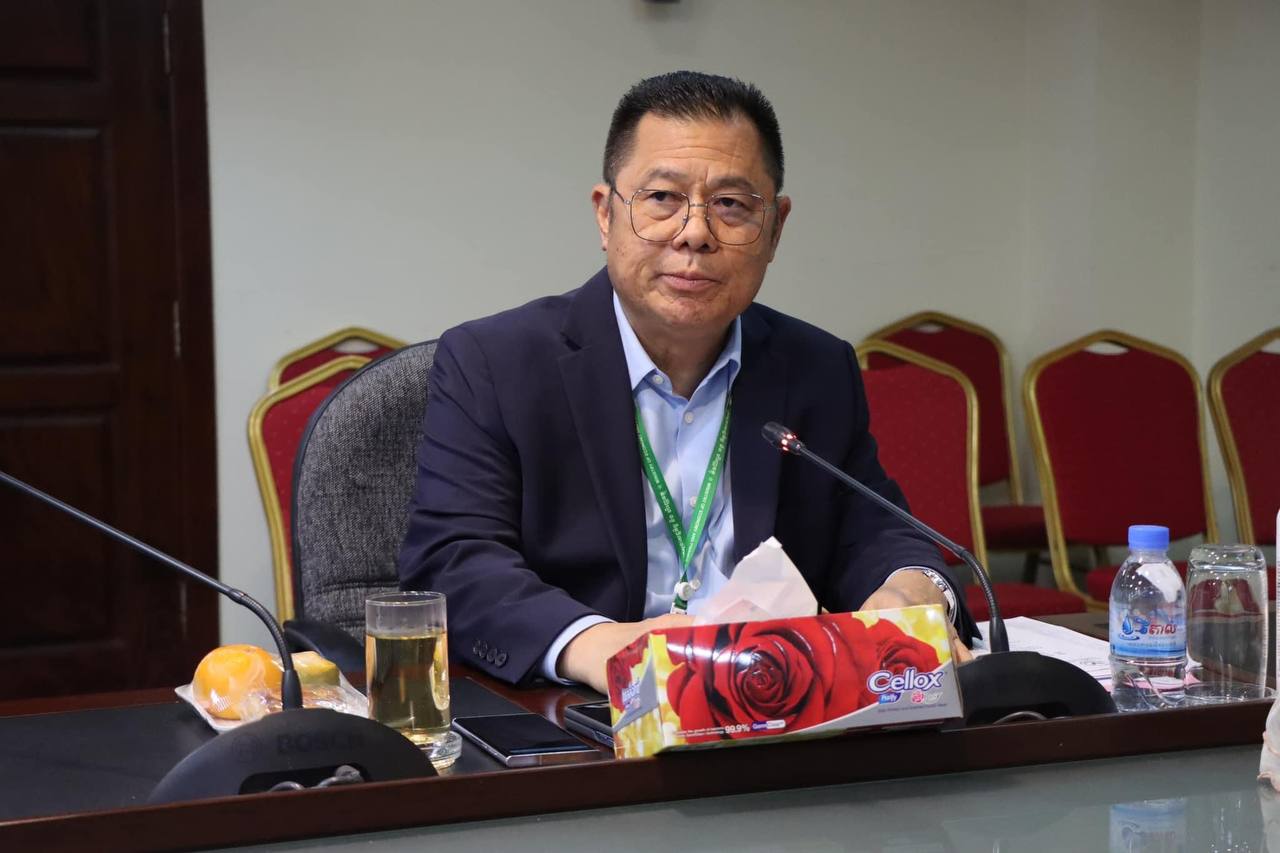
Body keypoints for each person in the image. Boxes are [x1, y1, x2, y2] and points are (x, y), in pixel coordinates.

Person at [399, 71, 976, 694]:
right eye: (662, 198)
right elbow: (453, 561)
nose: (695, 232)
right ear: (605, 215)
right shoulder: (495, 362)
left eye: (731, 205)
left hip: (773, 706)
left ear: (775, 229)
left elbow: (874, 530)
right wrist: (597, 646)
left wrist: (914, 587)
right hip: (582, 711)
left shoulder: (816, 366)